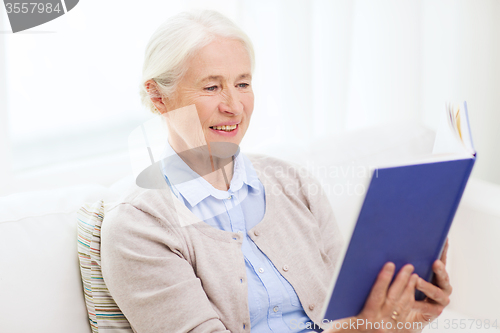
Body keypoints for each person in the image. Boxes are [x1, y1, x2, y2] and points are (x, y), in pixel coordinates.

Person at [100, 10, 452, 333]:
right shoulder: (139, 226)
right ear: (159, 97)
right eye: (211, 87)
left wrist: (403, 316)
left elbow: (352, 312)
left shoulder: (294, 182)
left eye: (242, 83)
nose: (234, 106)